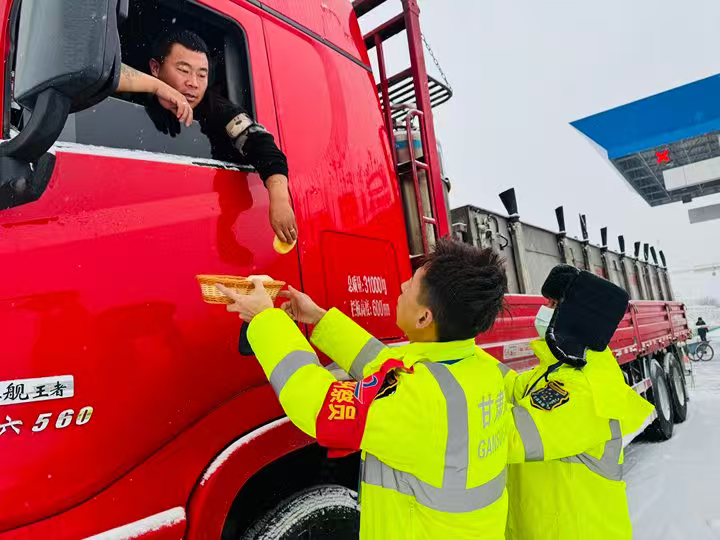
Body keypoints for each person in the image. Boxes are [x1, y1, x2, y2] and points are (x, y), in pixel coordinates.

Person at [217, 238, 513, 540]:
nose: (401, 285)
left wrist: (266, 321)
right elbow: (383, 364)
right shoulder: (477, 367)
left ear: (424, 317)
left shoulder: (422, 402)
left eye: (411, 285)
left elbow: (318, 405)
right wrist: (319, 318)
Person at [504, 265, 655, 540]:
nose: (543, 310)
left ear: (577, 317)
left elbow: (511, 438)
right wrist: (465, 356)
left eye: (553, 304)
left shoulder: (584, 388)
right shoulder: (556, 371)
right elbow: (512, 386)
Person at [116, 29, 297, 244]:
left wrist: (279, 199)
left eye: (202, 75)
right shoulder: (134, 93)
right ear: (155, 68)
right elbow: (105, 74)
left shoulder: (217, 109)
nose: (193, 83)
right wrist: (156, 88)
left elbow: (261, 145)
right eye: (184, 70)